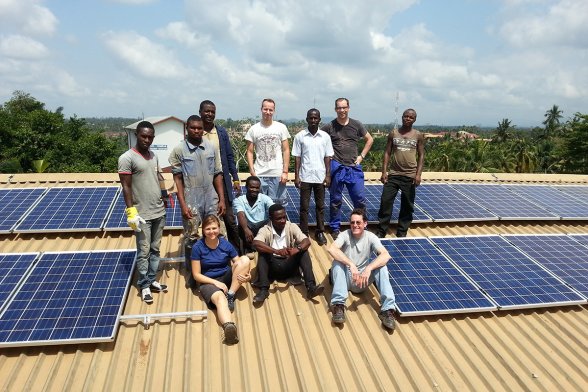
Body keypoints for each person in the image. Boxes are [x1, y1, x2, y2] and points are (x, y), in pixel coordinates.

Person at [169, 115, 226, 288]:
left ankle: (221, 268)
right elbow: (177, 179)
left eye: (199, 128)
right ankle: (193, 274)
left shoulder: (211, 147)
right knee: (191, 237)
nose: (196, 131)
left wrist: (221, 199)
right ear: (187, 128)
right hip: (190, 196)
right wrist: (183, 204)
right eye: (193, 128)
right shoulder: (179, 150)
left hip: (210, 194)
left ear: (203, 129)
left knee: (219, 232)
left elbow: (218, 174)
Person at [118, 121, 168, 304]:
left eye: (150, 137)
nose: (147, 140)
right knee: (144, 251)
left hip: (158, 211)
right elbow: (126, 186)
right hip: (142, 214)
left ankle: (152, 279)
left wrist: (164, 196)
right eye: (144, 136)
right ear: (137, 135)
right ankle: (144, 284)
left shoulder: (153, 156)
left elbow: (158, 177)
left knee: (155, 248)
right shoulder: (127, 158)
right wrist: (131, 212)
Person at [328, 208, 397, 330]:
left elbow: (386, 255)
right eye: (352, 222)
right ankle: (339, 306)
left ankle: (388, 310)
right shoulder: (344, 235)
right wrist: (351, 264)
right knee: (337, 263)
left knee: (382, 267)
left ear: (365, 224)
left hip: (362, 280)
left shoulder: (371, 237)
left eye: (358, 222)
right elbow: (332, 249)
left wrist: (369, 268)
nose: (355, 225)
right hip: (346, 278)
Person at [191, 215, 251, 345]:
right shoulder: (198, 247)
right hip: (208, 281)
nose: (212, 232)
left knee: (245, 259)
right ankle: (229, 327)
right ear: (203, 231)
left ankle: (231, 294)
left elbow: (238, 262)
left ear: (219, 228)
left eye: (214, 228)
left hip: (227, 278)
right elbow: (196, 275)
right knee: (220, 298)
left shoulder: (225, 244)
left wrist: (247, 276)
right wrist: (215, 282)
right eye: (208, 229)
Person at [321, 98, 373, 239]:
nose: (342, 110)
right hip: (336, 166)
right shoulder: (329, 126)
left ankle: (361, 225)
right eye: (339, 108)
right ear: (335, 109)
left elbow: (370, 139)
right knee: (335, 199)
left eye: (344, 107)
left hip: (353, 168)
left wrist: (361, 156)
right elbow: (319, 139)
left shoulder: (356, 125)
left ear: (348, 108)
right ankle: (335, 227)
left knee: (359, 198)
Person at [252, 203, 324, 303]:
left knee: (304, 252)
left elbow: (306, 241)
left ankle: (311, 288)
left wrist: (296, 249)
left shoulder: (291, 226)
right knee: (263, 253)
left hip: (289, 266)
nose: (283, 221)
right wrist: (275, 251)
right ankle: (264, 290)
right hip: (272, 268)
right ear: (271, 218)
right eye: (279, 218)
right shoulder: (265, 229)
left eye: (284, 217)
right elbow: (256, 243)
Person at [199, 100, 241, 252]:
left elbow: (229, 156)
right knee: (209, 220)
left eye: (212, 112)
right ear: (200, 112)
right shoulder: (196, 132)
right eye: (207, 111)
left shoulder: (221, 132)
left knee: (229, 218)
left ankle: (236, 251)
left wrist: (235, 178)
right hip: (203, 183)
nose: (210, 114)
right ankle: (211, 253)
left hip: (223, 181)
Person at [377, 108, 425, 238]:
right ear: (402, 117)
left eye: (411, 117)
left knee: (407, 205)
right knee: (386, 202)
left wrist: (418, 174)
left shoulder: (418, 135)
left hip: (409, 176)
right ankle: (382, 230)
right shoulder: (394, 133)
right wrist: (384, 171)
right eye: (406, 116)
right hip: (393, 174)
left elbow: (421, 155)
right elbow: (387, 152)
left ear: (414, 119)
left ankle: (402, 231)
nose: (408, 119)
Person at [292, 108, 333, 245]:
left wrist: (328, 175)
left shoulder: (325, 137)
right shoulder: (300, 136)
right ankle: (303, 233)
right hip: (305, 176)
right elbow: (297, 157)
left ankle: (320, 231)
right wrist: (296, 176)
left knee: (320, 206)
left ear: (319, 120)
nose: (313, 120)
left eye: (316, 118)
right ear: (307, 119)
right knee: (304, 207)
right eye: (311, 118)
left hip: (320, 177)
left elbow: (328, 157)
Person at [245, 98, 290, 205]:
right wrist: (252, 172)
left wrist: (285, 171)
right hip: (259, 174)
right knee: (260, 206)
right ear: (261, 109)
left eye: (270, 110)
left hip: (277, 174)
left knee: (278, 207)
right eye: (265, 109)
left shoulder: (281, 128)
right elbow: (250, 151)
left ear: (274, 111)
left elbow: (286, 149)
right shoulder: (253, 129)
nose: (268, 112)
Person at [233, 175, 274, 258]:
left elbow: (273, 208)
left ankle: (269, 247)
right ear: (246, 187)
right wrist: (246, 229)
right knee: (241, 224)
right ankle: (249, 249)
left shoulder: (264, 198)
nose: (254, 190)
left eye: (257, 188)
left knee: (272, 220)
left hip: (262, 226)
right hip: (248, 226)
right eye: (252, 187)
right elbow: (240, 214)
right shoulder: (239, 200)